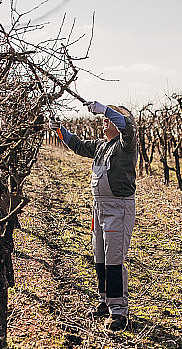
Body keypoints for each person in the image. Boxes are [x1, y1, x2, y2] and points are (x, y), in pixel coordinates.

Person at [49, 101, 137, 331]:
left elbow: (127, 125)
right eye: (105, 119)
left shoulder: (126, 144)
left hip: (118, 207)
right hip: (98, 207)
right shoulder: (101, 146)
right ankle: (104, 300)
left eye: (109, 119)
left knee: (114, 259)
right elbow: (77, 145)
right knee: (99, 256)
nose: (104, 122)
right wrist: (59, 130)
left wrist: (105, 109)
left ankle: (118, 311)